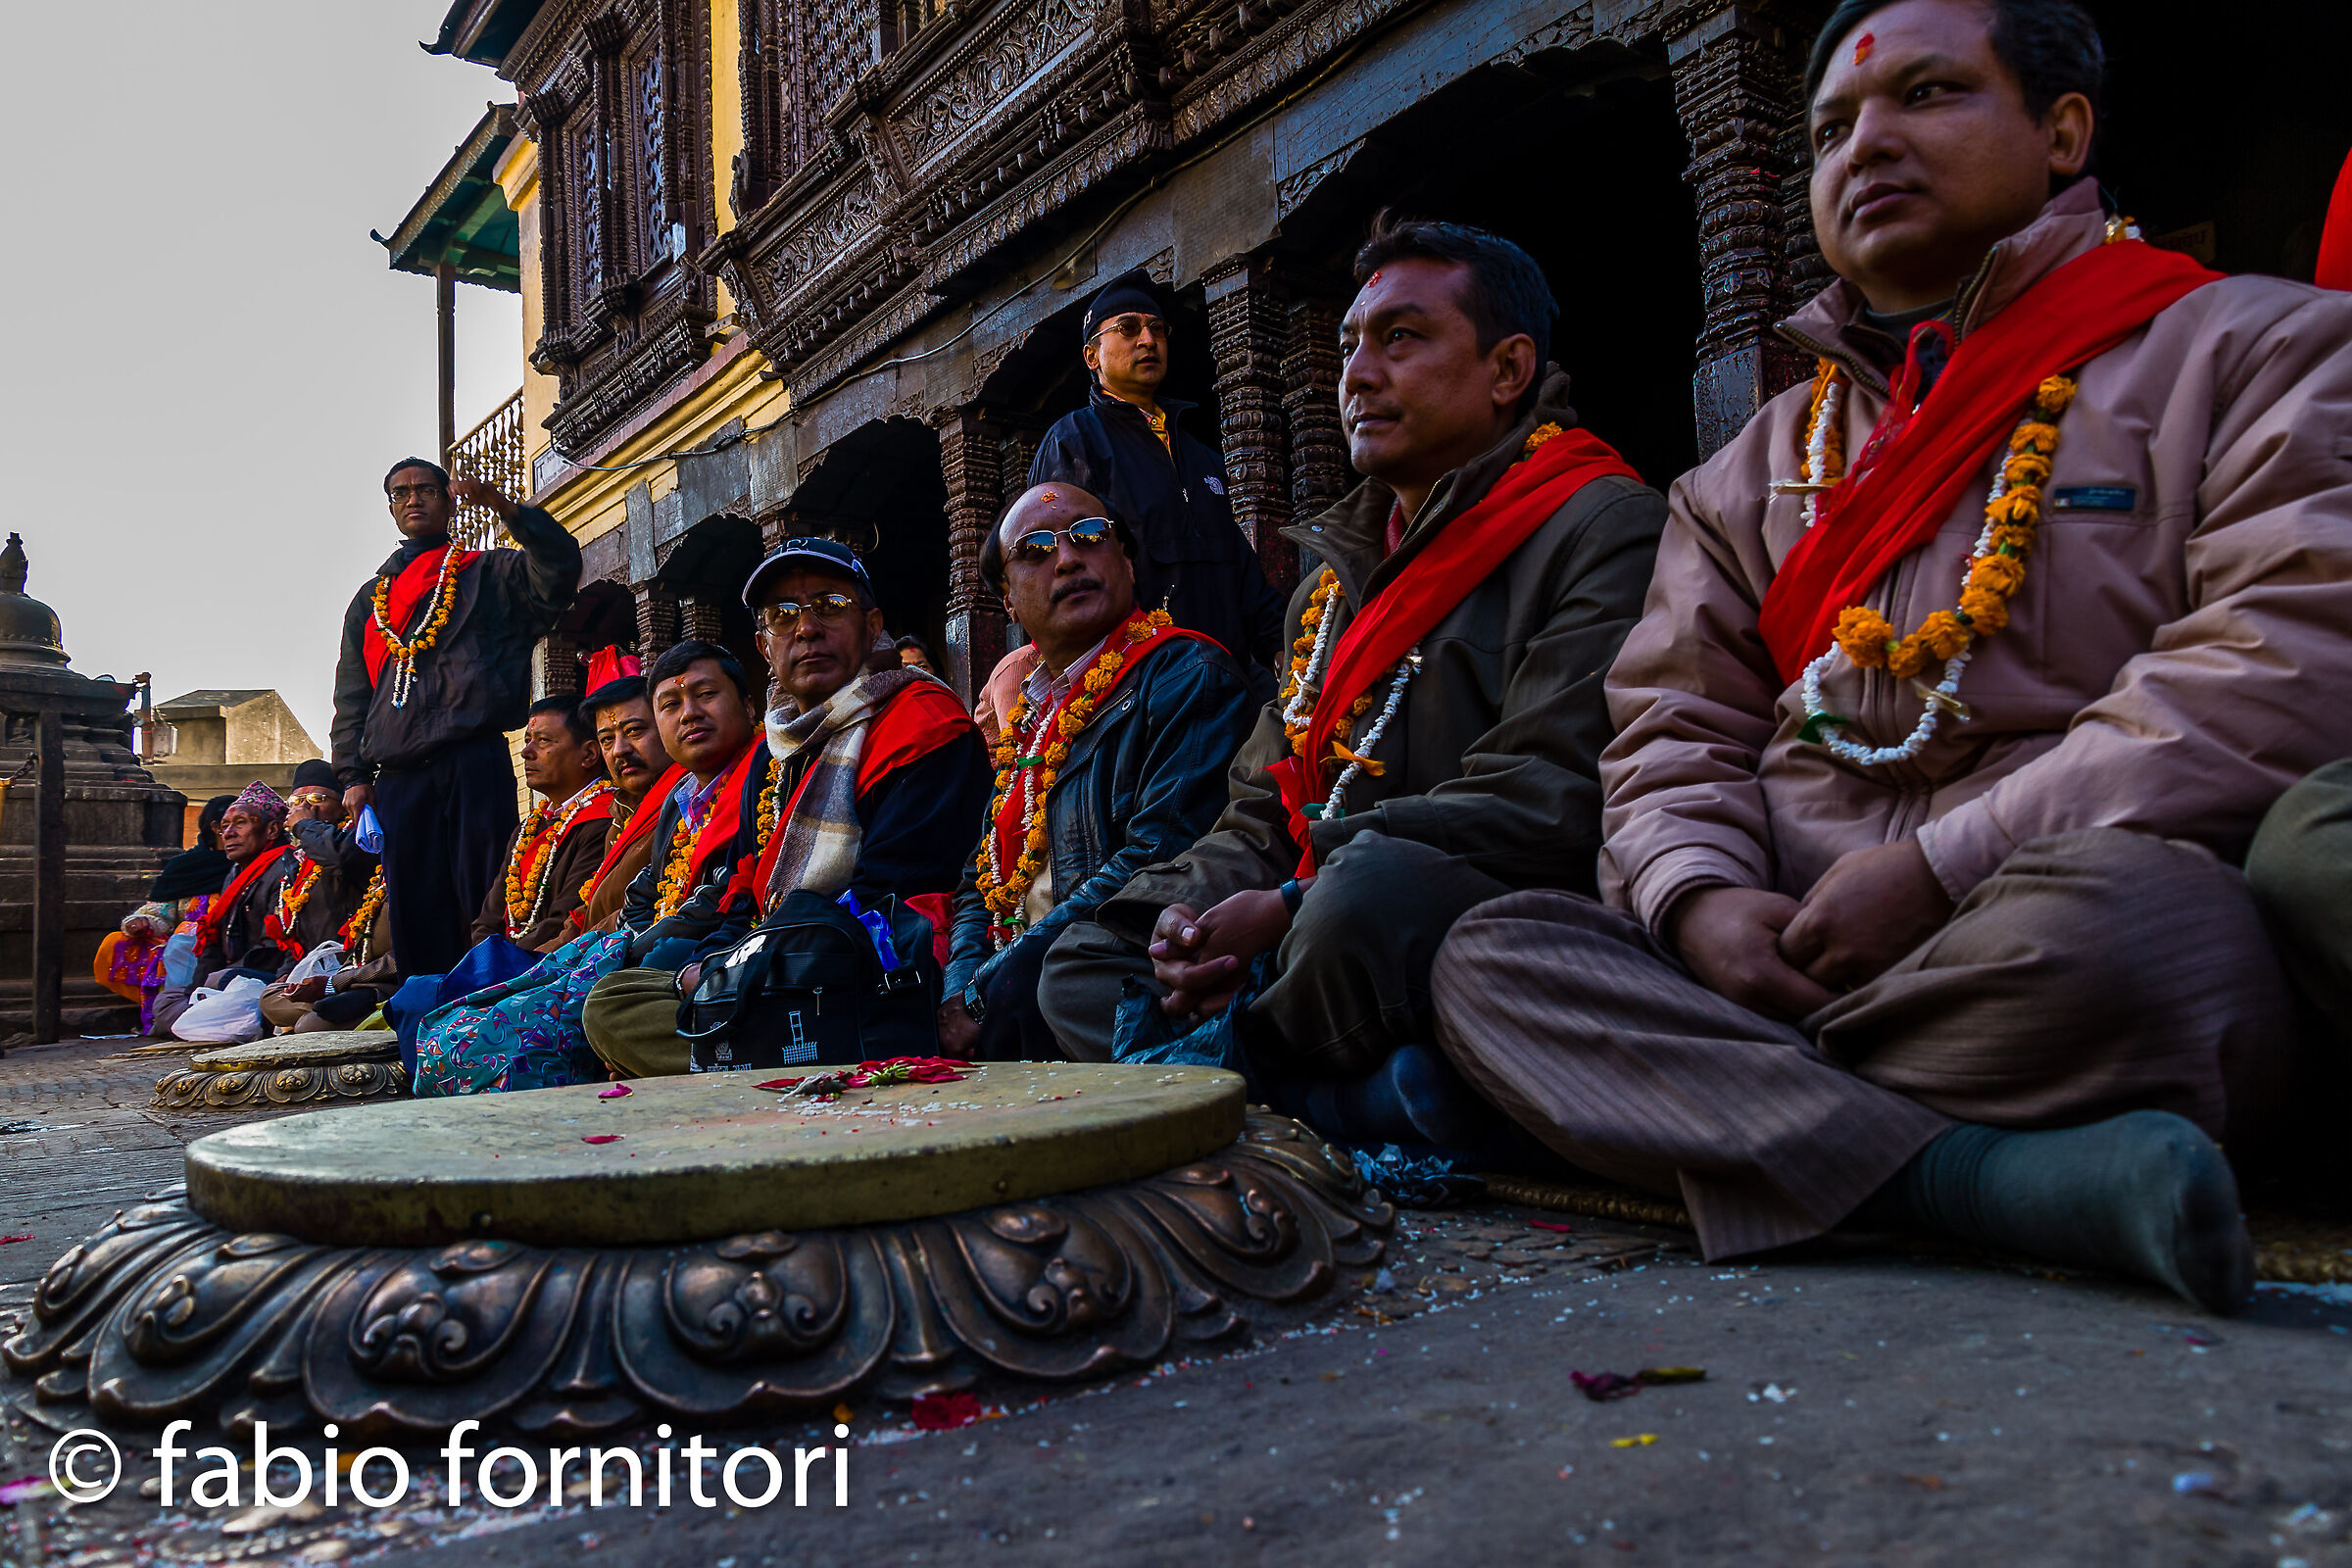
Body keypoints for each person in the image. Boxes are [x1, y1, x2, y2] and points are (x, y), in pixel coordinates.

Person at [1429, 0, 2352, 1316]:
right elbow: (1670, 730)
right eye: (1832, 130)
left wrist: (1936, 871)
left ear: (2061, 131)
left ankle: (1742, 1113)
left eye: (1925, 96)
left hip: (2045, 924)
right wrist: (1700, 903)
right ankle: (1983, 1177)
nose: (1868, 145)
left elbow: (2281, 659)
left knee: (2145, 941)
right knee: (1489, 961)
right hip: (1788, 956)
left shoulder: (2254, 346)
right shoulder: (1752, 469)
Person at [1036, 216, 1666, 1153]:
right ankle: (1348, 1105)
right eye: (1348, 348)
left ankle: (1236, 1090)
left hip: (1450, 910)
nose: (1359, 375)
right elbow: (1258, 809)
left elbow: (1546, 799)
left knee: (1362, 901)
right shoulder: (1327, 586)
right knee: (1084, 959)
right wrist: (1182, 921)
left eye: (1401, 339)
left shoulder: (1600, 525)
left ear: (1509, 370)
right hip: (1303, 924)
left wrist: (1281, 911)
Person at [579, 539, 992, 1077]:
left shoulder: (922, 722)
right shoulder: (778, 751)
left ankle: (757, 1057)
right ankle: (748, 1054)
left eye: (830, 606)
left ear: (872, 626)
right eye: (783, 615)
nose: (806, 628)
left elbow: (891, 896)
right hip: (778, 957)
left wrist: (732, 970)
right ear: (764, 645)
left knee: (625, 1012)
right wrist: (715, 965)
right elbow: (747, 893)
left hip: (874, 965)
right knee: (617, 997)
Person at [941, 486, 1255, 1059]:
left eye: (1089, 536)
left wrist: (995, 981)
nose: (1067, 558)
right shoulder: (1033, 718)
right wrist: (960, 984)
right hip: (1011, 982)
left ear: (1128, 563)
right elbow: (976, 881)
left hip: (1111, 972)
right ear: (1007, 600)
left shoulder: (1185, 673)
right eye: (1034, 550)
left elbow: (1158, 857)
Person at [408, 640, 762, 1095]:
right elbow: (646, 891)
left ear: (748, 704)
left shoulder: (762, 771)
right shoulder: (678, 799)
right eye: (672, 704)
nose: (689, 714)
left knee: (480, 1040)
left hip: (700, 956)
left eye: (706, 696)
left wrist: (627, 949)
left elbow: (725, 893)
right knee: (441, 1018)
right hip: (624, 950)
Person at [330, 458, 581, 980]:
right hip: (398, 777)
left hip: (473, 758)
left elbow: (558, 568)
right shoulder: (370, 602)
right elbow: (351, 696)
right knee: (416, 909)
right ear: (392, 508)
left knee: (487, 892)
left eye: (426, 489)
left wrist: (506, 509)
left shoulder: (487, 573)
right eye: (401, 493)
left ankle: (489, 1015)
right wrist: (353, 778)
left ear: (448, 501)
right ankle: (424, 1031)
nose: (413, 499)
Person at [1029, 269, 1288, 683]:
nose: (1148, 341)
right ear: (1091, 356)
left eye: (1157, 330)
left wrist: (1280, 646)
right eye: (1128, 329)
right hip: (1137, 685)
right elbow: (1057, 568)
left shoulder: (1199, 454)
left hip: (1228, 676)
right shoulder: (1074, 441)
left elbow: (1239, 569)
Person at [151, 783, 302, 1034]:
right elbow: (213, 939)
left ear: (272, 829)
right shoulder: (236, 871)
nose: (229, 834)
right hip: (235, 978)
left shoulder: (286, 868)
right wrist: (197, 991)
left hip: (270, 978)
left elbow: (275, 948)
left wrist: (220, 979)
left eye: (240, 823)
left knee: (210, 994)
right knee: (168, 1001)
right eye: (224, 827)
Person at [469, 698, 613, 953]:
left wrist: (506, 966)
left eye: (544, 741)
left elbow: (563, 922)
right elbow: (487, 922)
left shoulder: (605, 819)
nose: (527, 752)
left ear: (589, 754)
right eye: (527, 741)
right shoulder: (528, 829)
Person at [258, 760, 382, 1032]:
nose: (307, 807)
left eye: (317, 798)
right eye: (297, 800)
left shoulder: (361, 840)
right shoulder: (298, 861)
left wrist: (305, 826)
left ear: (344, 804)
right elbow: (296, 932)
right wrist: (291, 975)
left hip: (358, 971)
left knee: (308, 1024)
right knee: (268, 997)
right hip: (317, 973)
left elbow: (342, 857)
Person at [568, 670, 678, 936]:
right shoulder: (622, 812)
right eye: (607, 739)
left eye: (634, 731)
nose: (619, 749)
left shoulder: (690, 800)